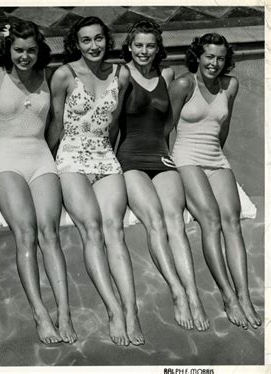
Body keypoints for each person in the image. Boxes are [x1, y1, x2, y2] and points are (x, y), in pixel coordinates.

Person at [48, 16, 144, 346]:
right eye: (86, 40)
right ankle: (114, 309)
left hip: (105, 156)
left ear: (107, 40)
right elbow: (55, 126)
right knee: (91, 227)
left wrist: (113, 156)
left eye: (99, 39)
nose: (94, 46)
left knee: (113, 230)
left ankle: (132, 312)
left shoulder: (121, 74)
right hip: (71, 158)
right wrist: (45, 164)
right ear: (77, 43)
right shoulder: (64, 75)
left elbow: (114, 124)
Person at [0, 19, 77, 345]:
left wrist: (52, 159)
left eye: (30, 50)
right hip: (7, 162)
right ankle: (41, 314)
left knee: (49, 234)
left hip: (41, 160)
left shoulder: (48, 77)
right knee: (25, 233)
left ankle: (64, 311)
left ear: (38, 51)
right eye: (18, 50)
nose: (24, 56)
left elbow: (55, 123)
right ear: (8, 49)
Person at [116, 20, 209, 331]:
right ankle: (177, 292)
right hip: (129, 158)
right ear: (129, 46)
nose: (144, 51)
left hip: (160, 156)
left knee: (176, 222)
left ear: (158, 48)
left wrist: (167, 152)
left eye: (150, 45)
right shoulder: (122, 74)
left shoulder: (166, 75)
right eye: (138, 45)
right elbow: (112, 123)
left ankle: (194, 295)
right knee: (154, 221)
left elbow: (168, 121)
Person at [169, 33, 262, 329]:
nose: (215, 63)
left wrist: (219, 161)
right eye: (209, 56)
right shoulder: (184, 84)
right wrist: (165, 165)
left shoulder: (230, 85)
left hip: (215, 158)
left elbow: (224, 128)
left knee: (231, 221)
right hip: (186, 158)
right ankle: (227, 296)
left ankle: (244, 295)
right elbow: (165, 128)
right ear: (198, 56)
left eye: (221, 58)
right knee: (211, 219)